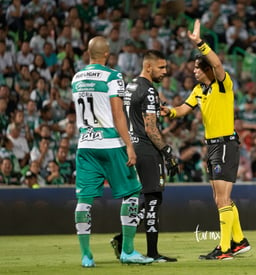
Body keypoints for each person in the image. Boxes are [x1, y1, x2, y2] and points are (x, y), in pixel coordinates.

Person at [161, 19, 251, 260]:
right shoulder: (199, 90)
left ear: (208, 69)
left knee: (222, 197)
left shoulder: (223, 84)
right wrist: (168, 111)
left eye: (198, 68)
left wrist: (199, 43)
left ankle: (224, 249)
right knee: (219, 197)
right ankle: (239, 240)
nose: (194, 71)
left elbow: (218, 63)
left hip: (224, 143)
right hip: (212, 146)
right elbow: (183, 109)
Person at [71, 36, 153, 267]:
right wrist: (129, 145)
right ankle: (127, 250)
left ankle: (86, 255)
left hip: (85, 145)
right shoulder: (113, 76)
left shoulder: (76, 78)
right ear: (107, 54)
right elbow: (118, 114)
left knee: (84, 201)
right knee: (132, 194)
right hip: (110, 144)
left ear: (88, 53)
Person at [110, 50, 179, 263]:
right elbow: (150, 128)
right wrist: (167, 152)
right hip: (147, 150)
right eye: (161, 67)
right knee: (153, 199)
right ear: (148, 67)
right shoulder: (149, 90)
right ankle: (152, 252)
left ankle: (124, 239)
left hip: (131, 146)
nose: (165, 72)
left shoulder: (130, 86)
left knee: (141, 198)